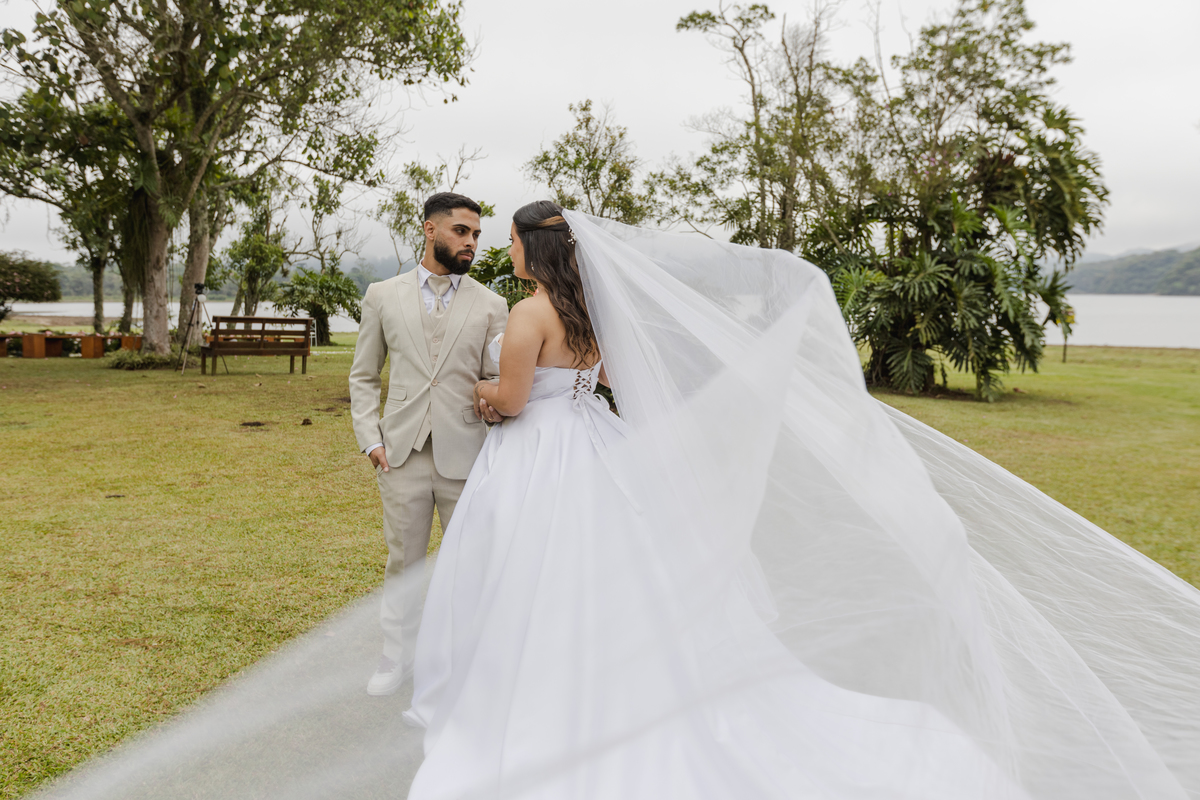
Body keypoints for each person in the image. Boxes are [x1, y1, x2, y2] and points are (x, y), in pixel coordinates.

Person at [399, 201, 1200, 799]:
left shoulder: (529, 315)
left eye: (505, 239)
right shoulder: (588, 315)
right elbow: (600, 382)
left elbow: (510, 398)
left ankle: (533, 702)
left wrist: (479, 395)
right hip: (592, 451)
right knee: (608, 581)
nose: (500, 250)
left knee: (534, 580)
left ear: (530, 248)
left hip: (540, 457)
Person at [348, 192, 508, 696]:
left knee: (470, 565)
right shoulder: (381, 295)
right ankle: (396, 657)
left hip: (468, 454)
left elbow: (496, 378)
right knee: (404, 561)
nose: (471, 242)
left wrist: (491, 404)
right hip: (401, 453)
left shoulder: (492, 304)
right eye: (462, 231)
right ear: (430, 230)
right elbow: (363, 376)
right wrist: (370, 439)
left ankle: (463, 661)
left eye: (477, 234)